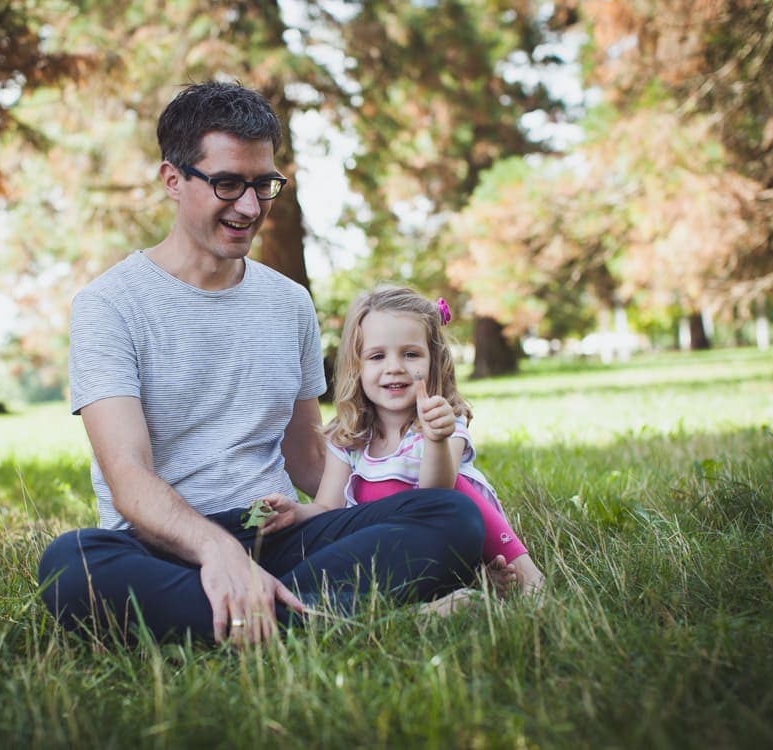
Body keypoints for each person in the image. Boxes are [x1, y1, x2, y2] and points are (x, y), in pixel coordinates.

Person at [37, 81, 486, 646]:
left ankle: (264, 617)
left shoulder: (289, 301)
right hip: (164, 548)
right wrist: (216, 550)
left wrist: (419, 479)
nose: (250, 207)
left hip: (274, 531)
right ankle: (334, 617)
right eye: (227, 183)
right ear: (172, 180)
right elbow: (128, 477)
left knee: (449, 517)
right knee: (69, 565)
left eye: (263, 184)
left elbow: (307, 457)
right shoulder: (108, 305)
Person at [259, 286, 545, 597]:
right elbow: (328, 507)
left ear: (433, 360)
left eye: (410, 354)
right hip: (399, 548)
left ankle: (527, 574)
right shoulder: (349, 436)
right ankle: (465, 583)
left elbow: (437, 498)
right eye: (377, 356)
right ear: (357, 367)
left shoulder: (445, 421)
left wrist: (437, 440)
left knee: (459, 489)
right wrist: (296, 513)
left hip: (449, 533)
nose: (394, 367)